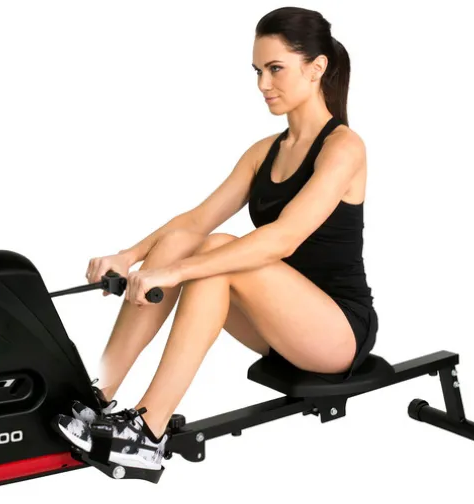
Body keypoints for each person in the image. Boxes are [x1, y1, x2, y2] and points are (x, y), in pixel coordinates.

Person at [53, 6, 378, 473]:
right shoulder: (264, 152)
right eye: (257, 71)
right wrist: (129, 256)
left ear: (316, 68)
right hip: (279, 326)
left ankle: (148, 429)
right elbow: (195, 221)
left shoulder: (344, 147)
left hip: (337, 331)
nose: (263, 84)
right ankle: (95, 396)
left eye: (275, 69)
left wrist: (176, 273)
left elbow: (282, 239)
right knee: (192, 244)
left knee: (216, 253)